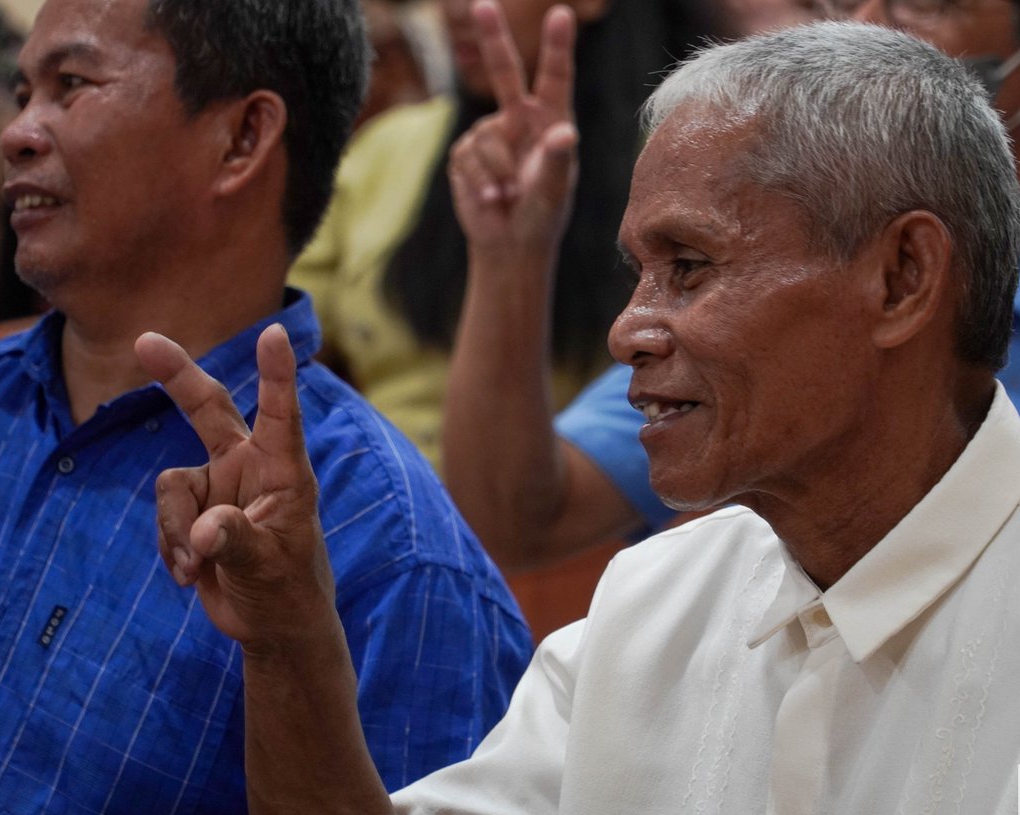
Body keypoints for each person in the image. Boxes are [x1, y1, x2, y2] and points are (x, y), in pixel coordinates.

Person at [146, 20, 1020, 815]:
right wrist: (286, 638)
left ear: (902, 276)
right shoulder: (647, 600)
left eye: (688, 266)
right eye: (640, 270)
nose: (628, 327)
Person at [0, 0, 531, 815]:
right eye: (23, 92)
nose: (19, 131)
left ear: (241, 139)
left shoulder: (391, 551)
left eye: (72, 85)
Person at [444, 0, 1020, 572]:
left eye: (919, 4)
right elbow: (522, 521)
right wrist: (513, 252)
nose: (861, 25)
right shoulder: (763, 276)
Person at [289, 0, 722, 470]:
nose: (456, 10)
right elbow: (276, 340)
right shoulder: (386, 147)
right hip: (370, 496)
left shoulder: (675, 165)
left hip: (575, 513)